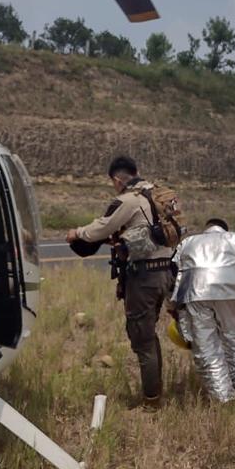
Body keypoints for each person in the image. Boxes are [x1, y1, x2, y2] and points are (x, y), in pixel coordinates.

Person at [66, 156, 174, 409]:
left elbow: (100, 229)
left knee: (142, 339)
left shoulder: (128, 200)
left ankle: (152, 401)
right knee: (149, 336)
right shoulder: (157, 196)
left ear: (117, 179)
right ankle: (156, 391)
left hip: (144, 277)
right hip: (165, 273)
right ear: (136, 172)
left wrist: (76, 233)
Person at [171, 218, 235, 403]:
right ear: (225, 229)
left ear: (205, 229)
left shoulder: (188, 242)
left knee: (207, 348)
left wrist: (175, 304)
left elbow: (175, 270)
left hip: (196, 293)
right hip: (232, 292)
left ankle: (224, 399)